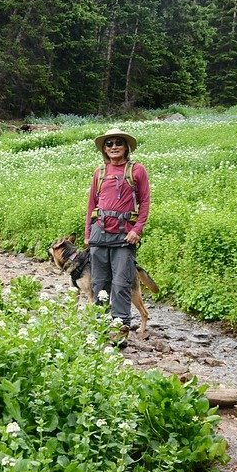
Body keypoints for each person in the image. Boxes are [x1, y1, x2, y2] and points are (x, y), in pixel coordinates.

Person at [84, 128, 150, 341]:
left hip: (124, 236)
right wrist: (87, 234)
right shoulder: (100, 172)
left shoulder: (137, 170)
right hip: (99, 234)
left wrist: (137, 229)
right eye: (109, 143)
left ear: (126, 147)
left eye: (118, 143)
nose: (114, 147)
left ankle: (120, 329)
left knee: (121, 283)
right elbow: (91, 205)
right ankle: (100, 325)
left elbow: (145, 202)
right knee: (99, 282)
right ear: (104, 148)